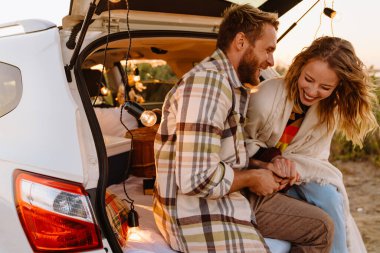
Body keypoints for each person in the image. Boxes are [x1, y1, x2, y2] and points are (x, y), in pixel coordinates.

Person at [153, 4, 334, 253]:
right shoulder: (209, 85)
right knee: (320, 230)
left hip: (225, 196)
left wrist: (263, 167)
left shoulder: (228, 85)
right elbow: (195, 179)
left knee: (322, 225)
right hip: (199, 214)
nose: (271, 60)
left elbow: (220, 158)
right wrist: (252, 178)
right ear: (241, 41)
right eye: (268, 50)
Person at [245, 36, 379, 253]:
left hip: (297, 177)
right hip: (257, 172)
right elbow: (240, 146)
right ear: (300, 67)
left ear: (338, 87)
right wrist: (273, 162)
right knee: (325, 211)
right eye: (308, 79)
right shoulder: (264, 97)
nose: (312, 91)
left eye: (325, 87)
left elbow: (315, 160)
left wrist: (291, 168)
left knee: (331, 197)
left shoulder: (328, 113)